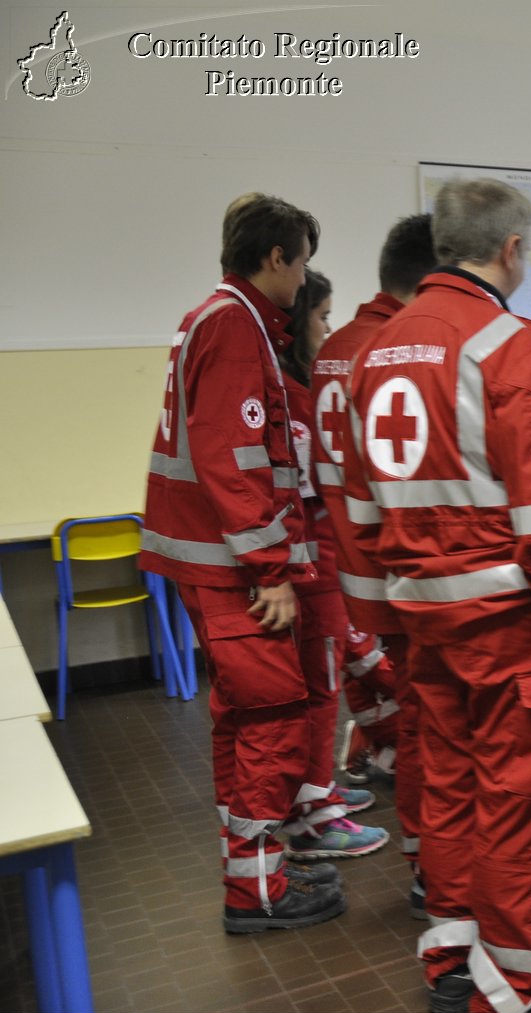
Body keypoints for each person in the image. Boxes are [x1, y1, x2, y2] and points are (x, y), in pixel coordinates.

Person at [344, 178, 531, 1013]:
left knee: (452, 793)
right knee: (525, 803)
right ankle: (517, 994)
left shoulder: (376, 351)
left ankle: (456, 963)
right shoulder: (510, 349)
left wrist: (387, 620)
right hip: (515, 625)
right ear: (510, 251)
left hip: (423, 622)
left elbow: (354, 514)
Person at [139, 192, 345, 933]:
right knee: (276, 714)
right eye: (303, 263)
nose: (304, 280)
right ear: (276, 258)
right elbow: (235, 455)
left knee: (239, 716)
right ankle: (259, 889)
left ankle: (253, 868)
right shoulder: (234, 324)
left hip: (212, 562)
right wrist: (270, 569)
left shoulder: (216, 316)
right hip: (234, 569)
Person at [312, 213, 436, 904]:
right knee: (433, 722)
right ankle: (434, 869)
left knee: (402, 706)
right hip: (402, 570)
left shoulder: (337, 347)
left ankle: (423, 854)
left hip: (345, 558)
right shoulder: (400, 348)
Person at [277, 269, 390, 860]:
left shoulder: (301, 387)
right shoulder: (296, 397)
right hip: (314, 567)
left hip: (321, 563)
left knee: (329, 681)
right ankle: (315, 815)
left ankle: (319, 793)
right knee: (320, 688)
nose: (329, 328)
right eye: (322, 317)